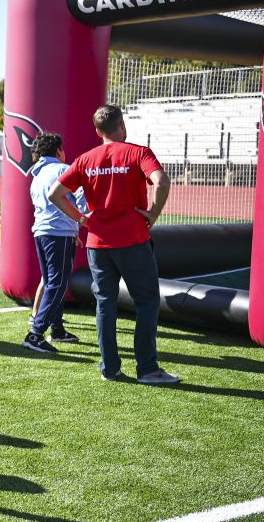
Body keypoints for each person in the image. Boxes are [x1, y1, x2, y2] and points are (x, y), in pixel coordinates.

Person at [47, 104, 180, 385]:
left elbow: (55, 194)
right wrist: (153, 214)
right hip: (133, 240)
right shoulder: (138, 152)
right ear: (123, 125)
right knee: (146, 302)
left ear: (97, 131)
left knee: (105, 304)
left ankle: (110, 368)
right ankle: (147, 369)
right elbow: (162, 181)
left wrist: (81, 219)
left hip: (98, 243)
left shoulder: (86, 159)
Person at [22, 132, 85, 354]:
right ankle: (35, 334)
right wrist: (84, 218)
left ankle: (56, 329)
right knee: (58, 284)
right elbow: (80, 194)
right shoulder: (61, 169)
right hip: (59, 233)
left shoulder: (36, 175)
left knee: (52, 282)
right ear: (58, 150)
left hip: (42, 233)